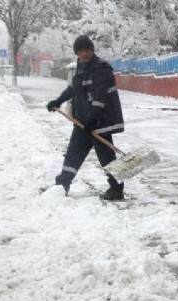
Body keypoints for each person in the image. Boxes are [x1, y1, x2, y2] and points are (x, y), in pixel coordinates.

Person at [46, 35, 125, 200]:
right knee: (73, 154)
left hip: (100, 122)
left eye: (87, 49)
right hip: (83, 122)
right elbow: (73, 89)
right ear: (77, 53)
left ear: (92, 50)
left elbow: (100, 97)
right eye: (81, 51)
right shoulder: (81, 68)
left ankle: (117, 189)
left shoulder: (101, 68)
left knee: (107, 158)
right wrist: (58, 101)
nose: (85, 53)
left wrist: (92, 119)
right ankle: (62, 185)